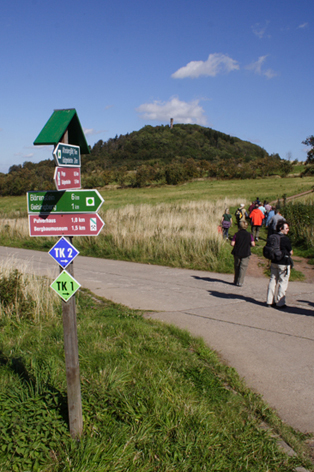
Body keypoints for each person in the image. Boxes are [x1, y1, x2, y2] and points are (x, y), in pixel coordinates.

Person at [266, 220, 293, 308]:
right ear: (281, 228)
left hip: (274, 261)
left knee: (272, 280)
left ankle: (269, 301)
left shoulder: (272, 237)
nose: (287, 230)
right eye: (286, 228)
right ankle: (280, 302)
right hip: (283, 262)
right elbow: (291, 252)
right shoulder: (285, 239)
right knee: (283, 282)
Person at [231, 220, 255, 287]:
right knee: (243, 267)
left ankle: (235, 280)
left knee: (237, 266)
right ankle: (240, 281)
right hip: (246, 252)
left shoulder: (236, 234)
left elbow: (232, 244)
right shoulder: (249, 235)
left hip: (237, 252)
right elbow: (253, 244)